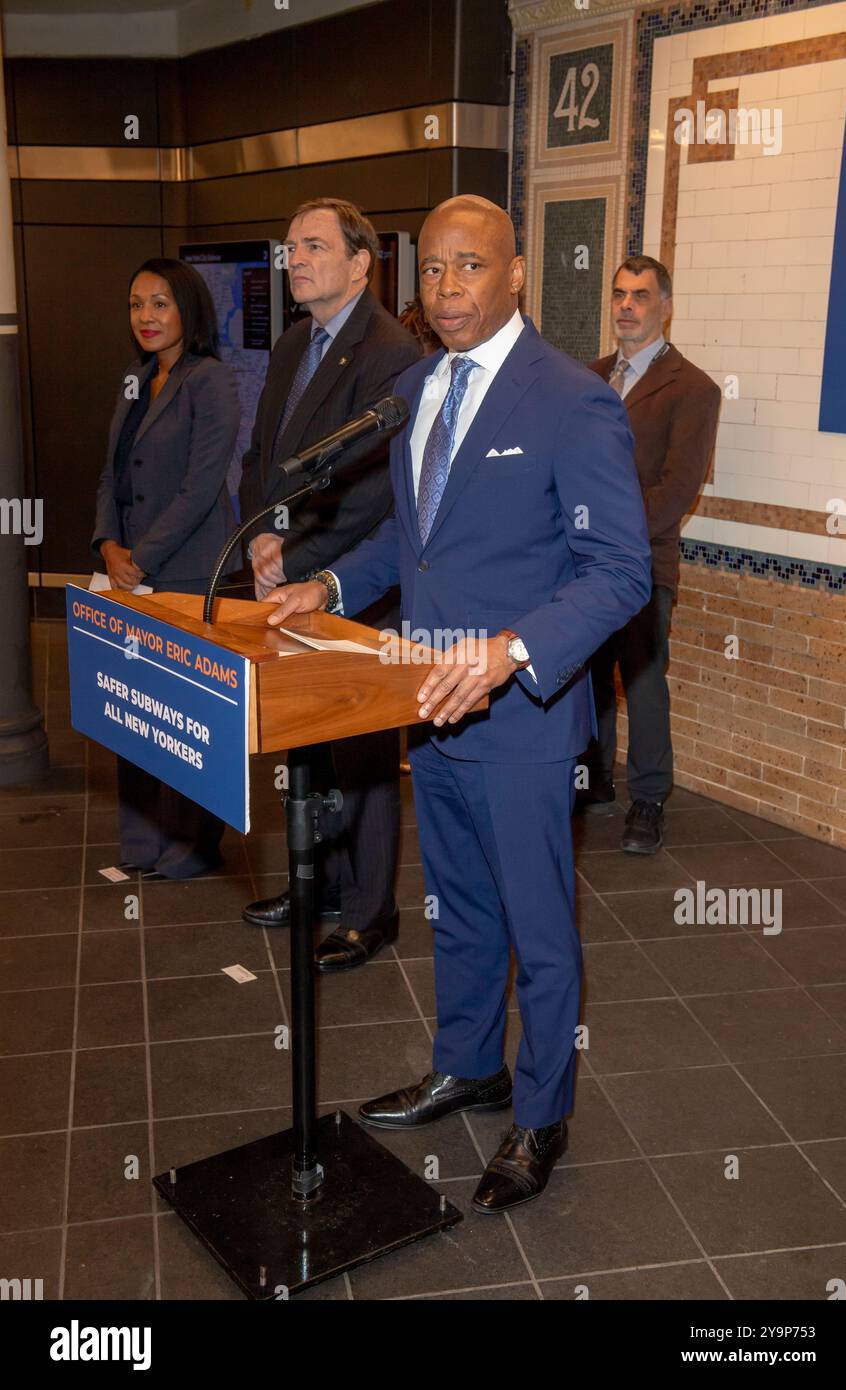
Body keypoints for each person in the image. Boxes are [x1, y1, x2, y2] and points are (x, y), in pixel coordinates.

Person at [261, 196, 651, 1213]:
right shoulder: (416, 388)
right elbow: (412, 540)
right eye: (430, 271)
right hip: (426, 706)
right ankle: (467, 1063)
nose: (446, 290)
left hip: (520, 715)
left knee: (538, 924)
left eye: (468, 267)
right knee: (462, 908)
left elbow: (618, 571)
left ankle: (539, 1111)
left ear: (514, 274)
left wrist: (508, 652)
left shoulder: (570, 399)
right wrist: (333, 587)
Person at [238, 198, 420, 971]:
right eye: (289, 248)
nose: (295, 260)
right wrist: (258, 539)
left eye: (312, 246)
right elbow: (262, 457)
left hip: (355, 581)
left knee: (364, 755)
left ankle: (371, 913)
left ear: (359, 262)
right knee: (304, 737)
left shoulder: (391, 350)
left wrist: (299, 549)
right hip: (281, 572)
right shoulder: (291, 345)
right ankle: (317, 885)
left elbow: (378, 486)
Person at [91, 257, 240, 878]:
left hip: (185, 570)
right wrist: (107, 544)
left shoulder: (211, 381)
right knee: (133, 709)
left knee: (185, 716)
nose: (145, 317)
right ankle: (143, 845)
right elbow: (112, 474)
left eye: (159, 303)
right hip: (127, 570)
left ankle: (192, 848)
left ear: (187, 309)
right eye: (135, 304)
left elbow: (201, 487)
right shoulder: (136, 377)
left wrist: (140, 557)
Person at [581, 255, 721, 853]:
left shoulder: (693, 388)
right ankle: (593, 780)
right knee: (587, 679)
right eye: (618, 294)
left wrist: (610, 534)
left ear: (665, 306)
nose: (627, 306)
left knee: (641, 683)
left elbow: (676, 490)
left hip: (641, 565)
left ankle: (648, 799)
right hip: (581, 564)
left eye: (640, 295)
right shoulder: (588, 377)